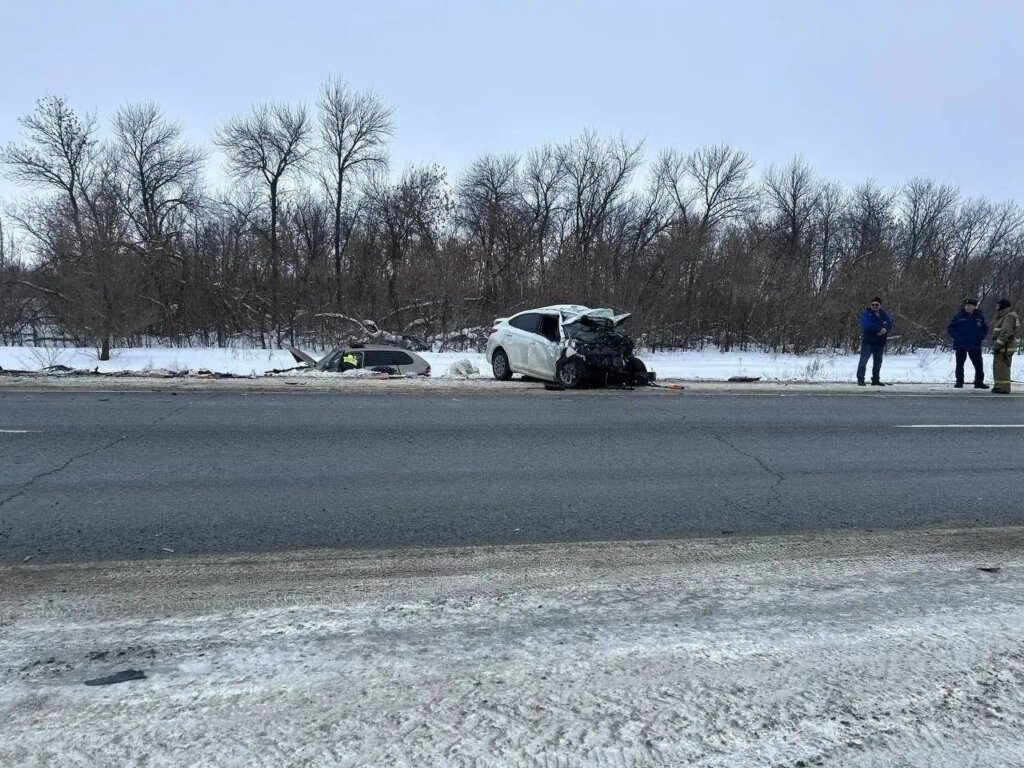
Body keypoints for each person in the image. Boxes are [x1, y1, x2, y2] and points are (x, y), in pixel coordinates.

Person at [946, 298, 989, 389]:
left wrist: (980, 336)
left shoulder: (980, 317)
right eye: (966, 305)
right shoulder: (959, 316)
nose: (968, 307)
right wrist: (956, 336)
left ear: (974, 307)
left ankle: (979, 382)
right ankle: (959, 382)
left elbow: (985, 329)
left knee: (978, 365)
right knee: (960, 364)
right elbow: (950, 328)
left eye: (970, 305)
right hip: (961, 344)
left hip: (975, 344)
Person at [857, 297, 894, 386]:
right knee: (863, 361)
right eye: (872, 304)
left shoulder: (884, 314)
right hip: (868, 341)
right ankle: (860, 379)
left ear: (880, 305)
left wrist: (885, 329)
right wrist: (879, 328)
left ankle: (875, 379)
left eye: (876, 304)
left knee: (878, 362)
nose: (874, 306)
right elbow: (866, 324)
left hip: (880, 342)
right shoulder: (867, 313)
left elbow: (890, 322)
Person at [991, 298, 1020, 394]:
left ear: (1003, 307)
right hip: (1004, 345)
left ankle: (1003, 388)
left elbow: (1005, 332)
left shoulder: (1008, 317)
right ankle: (1000, 386)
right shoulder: (1005, 316)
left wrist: (998, 345)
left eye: (998, 306)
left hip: (1005, 346)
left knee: (1002, 367)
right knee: (1000, 367)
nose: (996, 308)